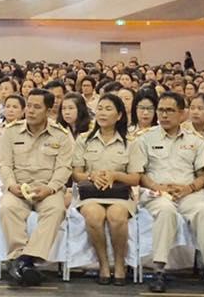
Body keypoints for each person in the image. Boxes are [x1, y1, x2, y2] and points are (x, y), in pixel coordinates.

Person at [129, 92, 204, 295]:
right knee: (166, 210)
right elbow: (140, 174)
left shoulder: (196, 141)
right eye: (161, 110)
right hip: (157, 192)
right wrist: (158, 187)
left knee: (203, 210)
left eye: (170, 110)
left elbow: (203, 176)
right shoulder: (144, 139)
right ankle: (159, 271)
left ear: (182, 114)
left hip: (188, 192)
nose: (164, 115)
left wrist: (188, 188)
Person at [0, 89, 74, 286]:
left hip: (47, 189)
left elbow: (64, 168)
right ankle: (22, 259)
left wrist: (50, 188)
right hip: (18, 187)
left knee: (56, 210)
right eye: (29, 106)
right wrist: (11, 185)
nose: (30, 111)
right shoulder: (11, 131)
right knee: (7, 208)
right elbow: (4, 164)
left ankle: (24, 260)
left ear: (48, 110)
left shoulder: (61, 135)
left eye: (37, 107)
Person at [72, 93, 138, 285]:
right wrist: (92, 176)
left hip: (119, 195)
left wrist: (115, 175)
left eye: (108, 109)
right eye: (100, 108)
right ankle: (103, 264)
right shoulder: (84, 139)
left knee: (117, 217)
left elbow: (135, 178)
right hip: (90, 194)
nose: (102, 113)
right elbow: (76, 174)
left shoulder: (131, 142)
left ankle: (119, 264)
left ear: (119, 115)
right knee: (94, 216)